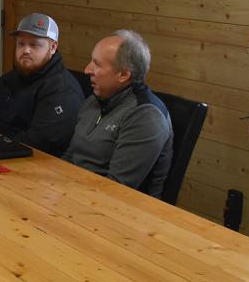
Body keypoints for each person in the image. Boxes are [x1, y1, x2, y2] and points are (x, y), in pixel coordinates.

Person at [62, 30, 173, 198]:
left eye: (97, 64)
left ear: (123, 74)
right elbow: (71, 156)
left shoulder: (146, 116)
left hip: (119, 207)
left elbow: (116, 188)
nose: (87, 70)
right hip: (75, 192)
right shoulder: (95, 100)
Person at [0, 13, 84, 156]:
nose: (26, 50)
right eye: (21, 44)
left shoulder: (63, 90)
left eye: (34, 44)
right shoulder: (7, 80)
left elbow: (40, 142)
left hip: (33, 160)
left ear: (53, 47)